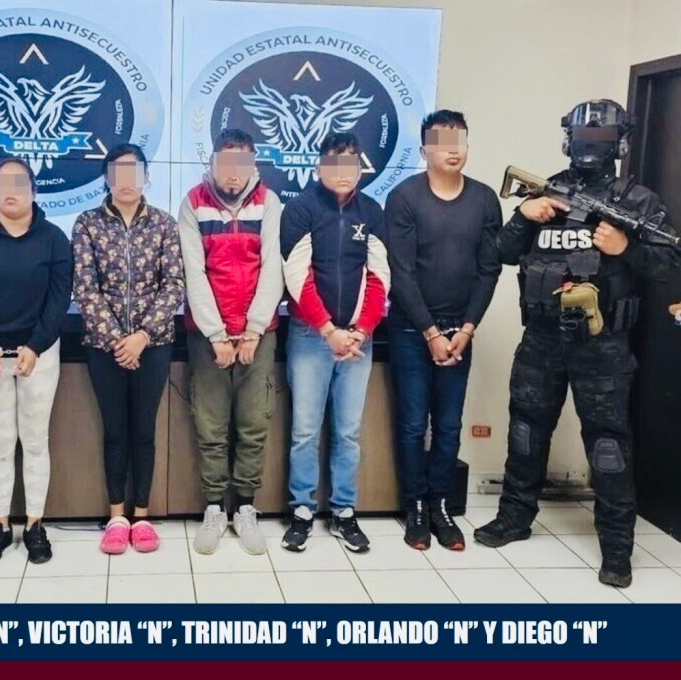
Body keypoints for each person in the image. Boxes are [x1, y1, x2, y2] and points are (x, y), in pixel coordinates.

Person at [473, 100, 679, 588]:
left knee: (607, 444)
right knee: (525, 432)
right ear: (569, 140)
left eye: (601, 140)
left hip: (602, 344)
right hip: (541, 339)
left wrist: (626, 249)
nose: (590, 148)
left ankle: (616, 549)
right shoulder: (548, 190)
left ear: (620, 144)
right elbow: (501, 253)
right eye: (585, 138)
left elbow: (669, 265)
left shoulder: (638, 201)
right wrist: (523, 215)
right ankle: (514, 518)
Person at [385, 110, 503, 551]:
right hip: (411, 330)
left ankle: (440, 506)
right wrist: (431, 332)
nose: (453, 150)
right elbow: (401, 272)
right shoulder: (404, 197)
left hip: (460, 332)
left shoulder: (485, 200)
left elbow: (489, 270)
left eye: (460, 141)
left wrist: (466, 330)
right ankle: (415, 506)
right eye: (442, 142)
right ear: (425, 150)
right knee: (414, 423)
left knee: (449, 425)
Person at [0, 158, 72, 565]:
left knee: (35, 442)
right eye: (3, 183)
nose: (11, 190)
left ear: (33, 191)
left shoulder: (54, 239)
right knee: (0, 444)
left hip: (39, 353)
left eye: (20, 183)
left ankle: (35, 525)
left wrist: (35, 346)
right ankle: (0, 525)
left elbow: (58, 299)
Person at [279, 132, 390, 554]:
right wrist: (329, 330)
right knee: (305, 431)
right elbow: (297, 277)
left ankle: (344, 511)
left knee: (348, 431)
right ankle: (302, 511)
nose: (344, 173)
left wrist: (360, 329)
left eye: (352, 164)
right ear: (319, 167)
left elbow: (379, 276)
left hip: (359, 339)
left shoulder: (372, 211)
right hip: (311, 336)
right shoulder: (300, 209)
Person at [72, 143, 185, 555]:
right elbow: (85, 288)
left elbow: (174, 284)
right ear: (107, 178)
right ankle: (117, 516)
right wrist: (119, 340)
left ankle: (142, 516)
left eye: (134, 172)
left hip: (153, 346)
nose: (126, 181)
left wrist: (142, 336)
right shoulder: (87, 224)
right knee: (115, 431)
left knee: (144, 431)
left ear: (146, 177)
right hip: (104, 347)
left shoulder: (164, 224)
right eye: (118, 172)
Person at [178, 128, 283, 556]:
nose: (234, 173)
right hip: (208, 335)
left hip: (259, 335)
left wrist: (254, 329)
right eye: (226, 163)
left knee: (254, 424)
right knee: (211, 426)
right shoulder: (193, 202)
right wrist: (217, 334)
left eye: (242, 164)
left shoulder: (269, 202)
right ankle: (215, 508)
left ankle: (245, 508)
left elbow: (273, 268)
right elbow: (193, 272)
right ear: (214, 163)